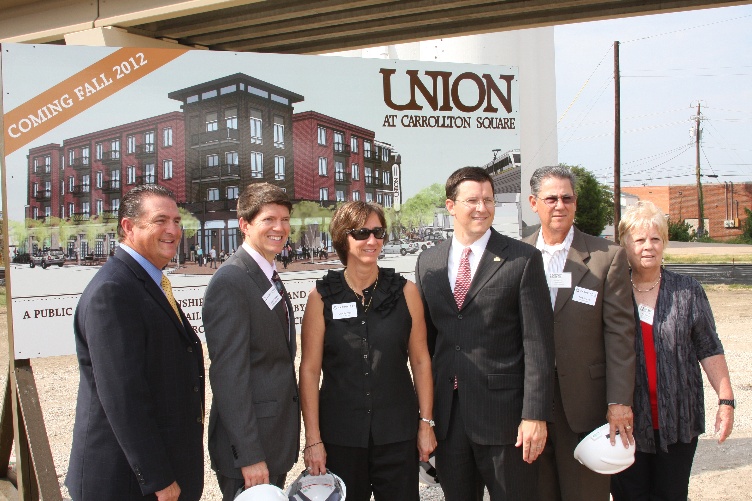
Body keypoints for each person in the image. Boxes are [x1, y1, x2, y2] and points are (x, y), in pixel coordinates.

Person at [416, 167, 555, 501]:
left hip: (505, 418)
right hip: (450, 419)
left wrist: (534, 414)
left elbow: (538, 344)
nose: (482, 208)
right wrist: (427, 417)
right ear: (451, 206)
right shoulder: (428, 262)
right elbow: (428, 345)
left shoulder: (522, 259)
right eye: (472, 200)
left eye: (488, 200)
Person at [66, 185, 205, 501]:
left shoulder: (148, 281)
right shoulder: (113, 291)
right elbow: (123, 395)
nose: (173, 230)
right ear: (129, 227)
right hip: (127, 482)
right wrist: (158, 478)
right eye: (160, 220)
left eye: (176, 220)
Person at [300, 201, 436, 501]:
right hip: (340, 437)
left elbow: (422, 360)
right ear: (342, 237)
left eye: (378, 232)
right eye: (361, 233)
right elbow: (309, 371)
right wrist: (313, 439)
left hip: (398, 435)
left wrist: (426, 423)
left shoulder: (406, 292)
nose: (372, 241)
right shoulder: (321, 297)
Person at [522, 165, 636, 501]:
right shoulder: (516, 256)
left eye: (567, 198)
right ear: (533, 202)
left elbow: (620, 334)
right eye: (551, 198)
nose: (559, 205)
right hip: (532, 405)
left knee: (585, 494)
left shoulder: (607, 257)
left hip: (586, 403)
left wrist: (619, 401)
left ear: (575, 202)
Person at [610, 201, 734, 500]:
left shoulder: (687, 291)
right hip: (625, 421)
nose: (648, 247)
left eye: (655, 238)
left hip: (679, 418)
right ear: (625, 244)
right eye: (639, 240)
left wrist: (726, 400)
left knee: (672, 494)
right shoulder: (612, 294)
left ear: (664, 242)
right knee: (630, 495)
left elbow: (709, 346)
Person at [202, 183, 299, 501]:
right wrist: (249, 455)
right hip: (250, 452)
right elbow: (229, 377)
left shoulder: (266, 272)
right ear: (245, 224)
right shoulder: (231, 280)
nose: (279, 227)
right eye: (269, 219)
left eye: (285, 219)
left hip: (272, 438)